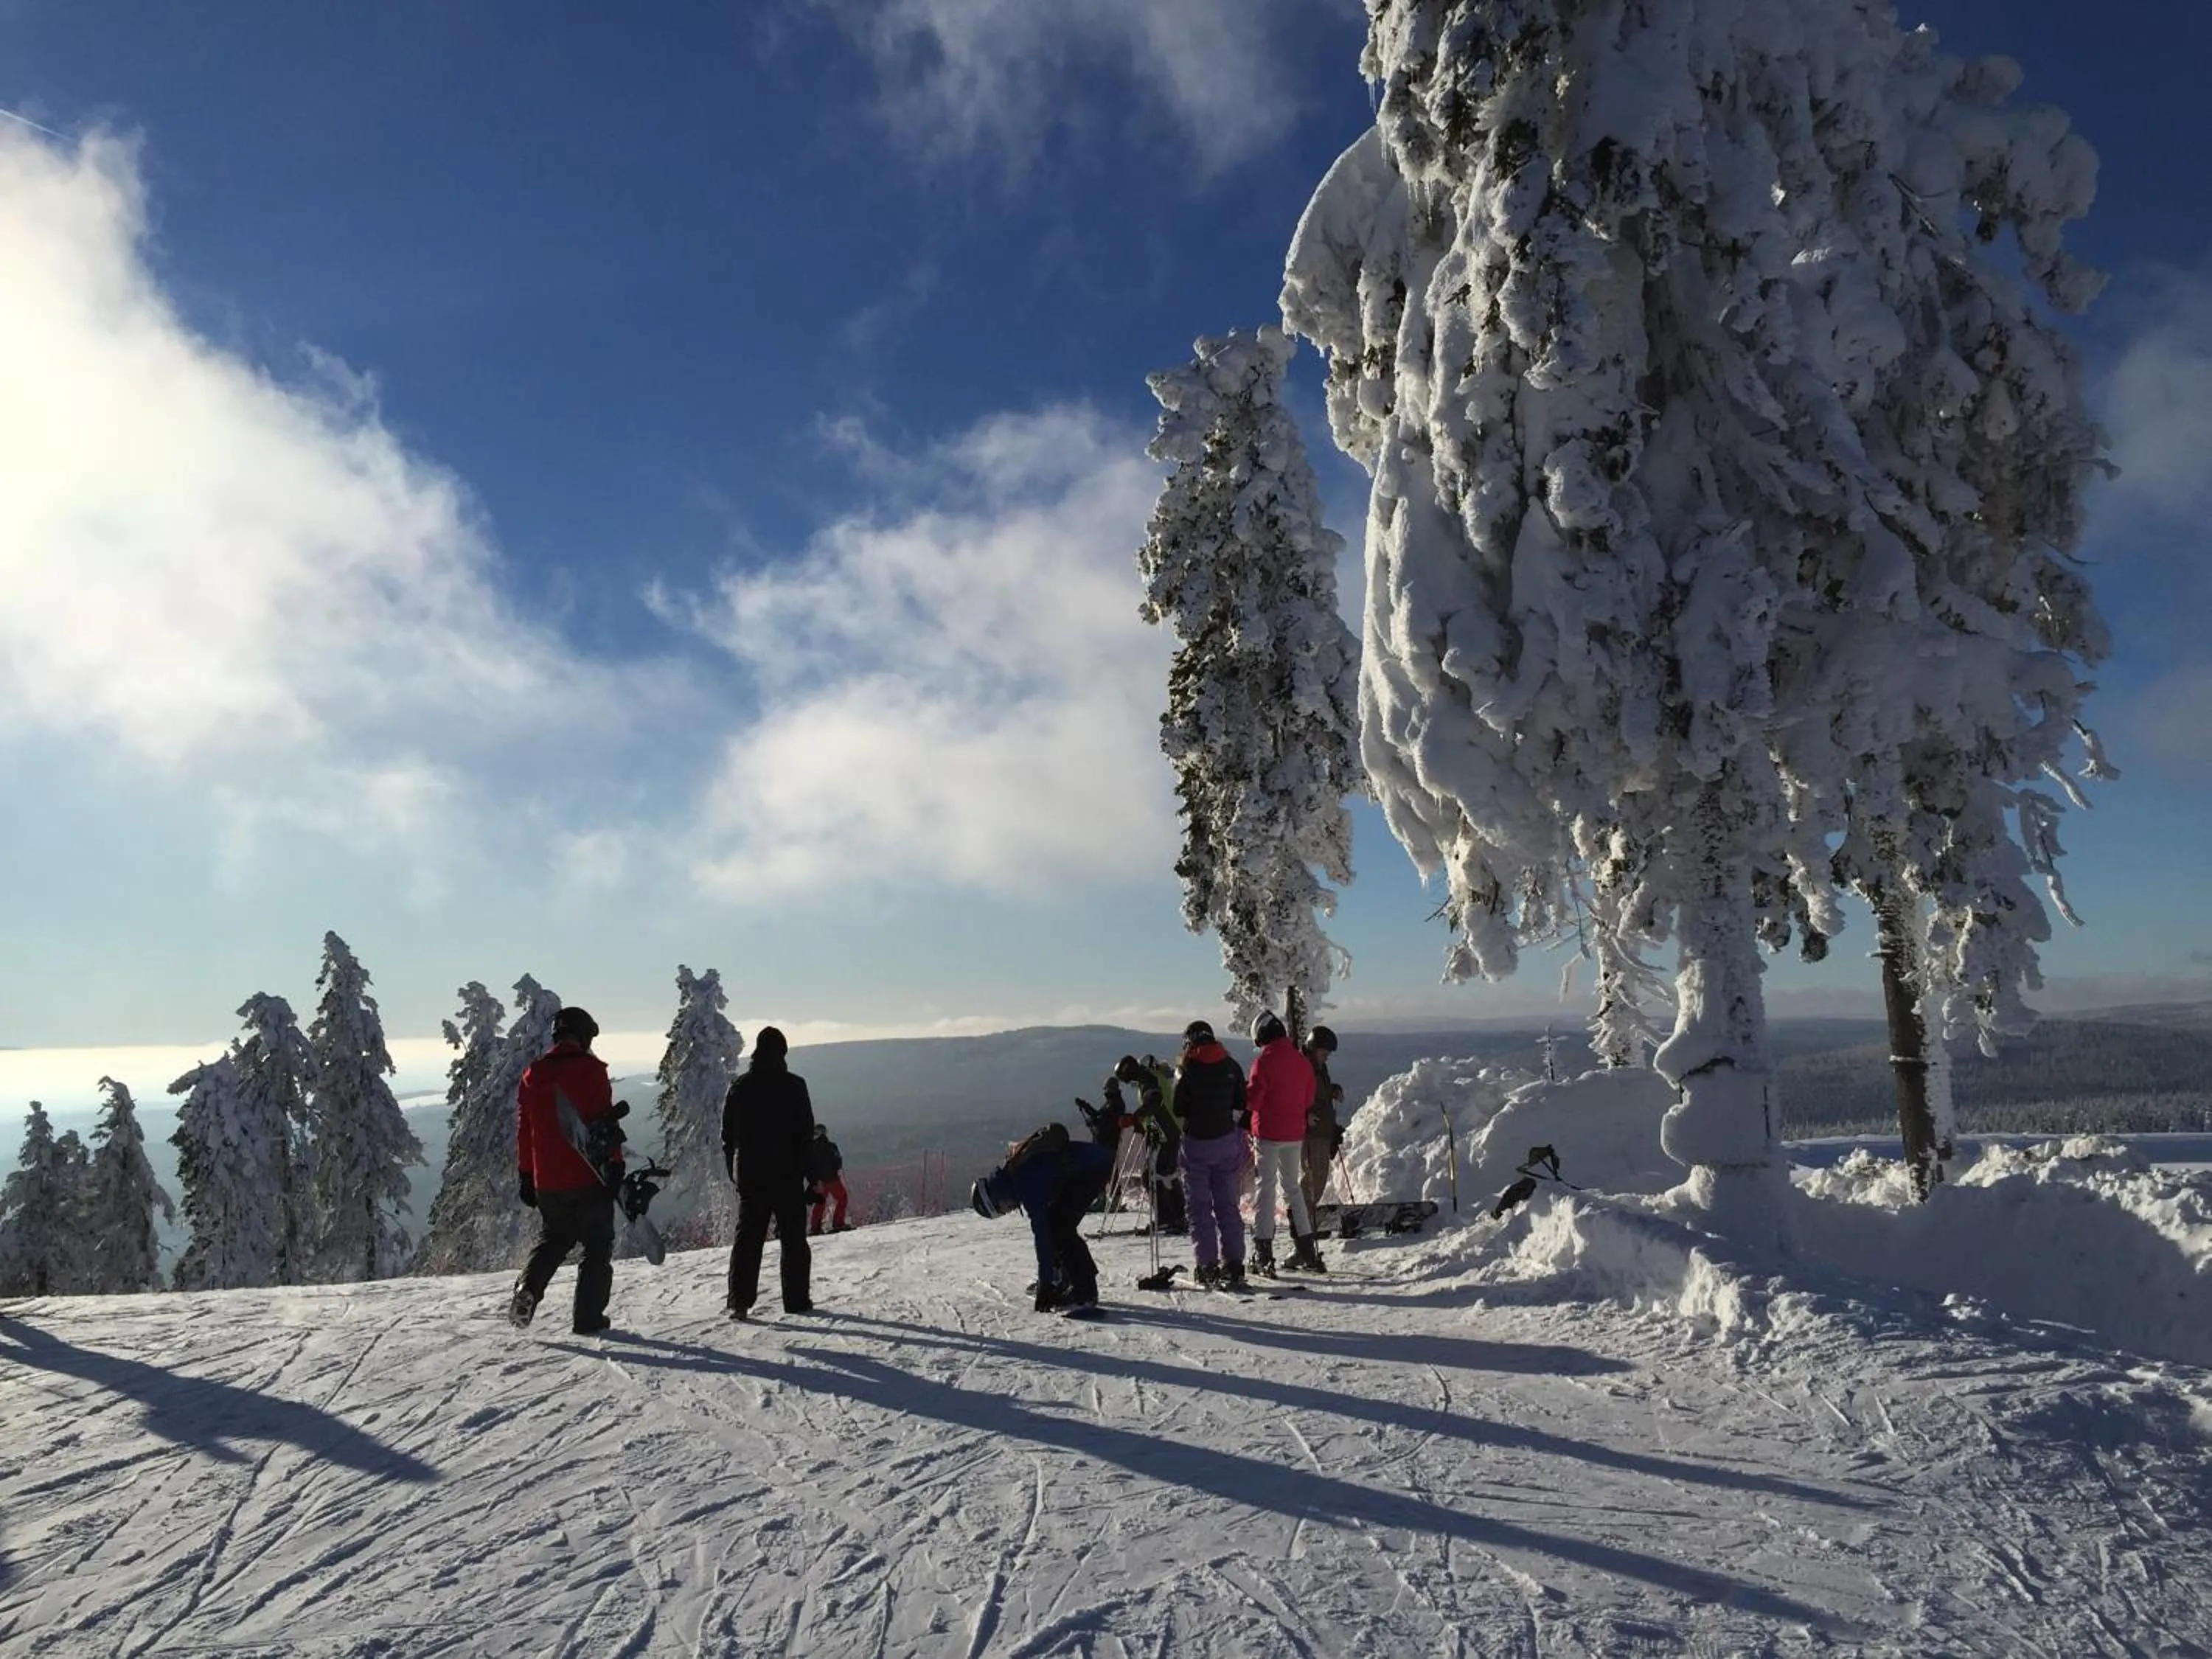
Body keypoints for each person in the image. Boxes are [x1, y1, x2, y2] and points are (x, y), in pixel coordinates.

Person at [510, 1006, 624, 1334]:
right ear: (583, 1035)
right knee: (597, 1244)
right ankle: (587, 1318)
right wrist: (615, 1165)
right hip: (588, 1173)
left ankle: (527, 1289)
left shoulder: (533, 1074)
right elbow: (606, 1124)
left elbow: (525, 1130)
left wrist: (526, 1175)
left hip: (548, 1178)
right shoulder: (592, 1070)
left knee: (554, 1238)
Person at [721, 1026, 816, 1319]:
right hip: (788, 1176)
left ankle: (739, 1301)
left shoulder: (740, 1087)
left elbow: (728, 1137)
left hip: (752, 1176)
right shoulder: (795, 1086)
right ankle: (797, 1301)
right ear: (782, 1053)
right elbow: (806, 1136)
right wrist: (811, 1178)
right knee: (794, 1241)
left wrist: (734, 1174)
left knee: (748, 1240)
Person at [970, 1122, 1116, 1313]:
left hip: (1092, 1169)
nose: (1009, 1210)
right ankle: (1072, 1280)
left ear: (997, 1197)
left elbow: (1043, 1236)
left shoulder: (1025, 1182)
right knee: (1059, 1224)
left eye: (1003, 1208)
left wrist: (1045, 1285)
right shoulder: (1015, 1172)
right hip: (1092, 1163)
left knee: (1060, 1229)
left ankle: (1084, 1293)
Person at [1174, 1019, 1249, 1290]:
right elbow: (1242, 1102)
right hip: (1227, 1141)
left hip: (1196, 1143)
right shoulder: (1231, 1066)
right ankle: (1235, 1264)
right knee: (1227, 1204)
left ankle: (1207, 1264)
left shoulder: (1187, 1070)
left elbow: (1178, 1107)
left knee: (1200, 1207)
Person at [1248, 1011, 1324, 1275]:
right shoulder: (1301, 1062)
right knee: (1293, 1188)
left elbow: (1253, 1101)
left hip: (1268, 1134)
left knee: (1266, 1191)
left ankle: (1264, 1252)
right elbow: (1307, 1099)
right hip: (1295, 1134)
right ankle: (1307, 1249)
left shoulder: (1263, 1062)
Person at [1112, 1054, 1186, 1234]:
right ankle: (1179, 1215)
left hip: (1163, 1130)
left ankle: (1166, 1219)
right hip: (1171, 1128)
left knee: (1152, 1174)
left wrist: (1136, 1117)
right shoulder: (1153, 1076)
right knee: (1168, 1173)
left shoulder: (1147, 1079)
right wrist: (1141, 1122)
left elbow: (1154, 1100)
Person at [1299, 1025, 1346, 1220]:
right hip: (1311, 1135)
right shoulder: (1302, 1069)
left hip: (1322, 1132)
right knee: (1311, 1180)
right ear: (1312, 1049)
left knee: (1318, 1179)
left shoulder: (1319, 1069)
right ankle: (1303, 1224)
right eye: (1324, 1053)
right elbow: (1291, 1098)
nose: (1326, 1057)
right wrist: (1303, 1117)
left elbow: (1320, 1096)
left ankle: (1306, 1222)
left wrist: (1334, 1090)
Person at [807, 1124, 849, 1235]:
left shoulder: (811, 1148)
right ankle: (838, 1223)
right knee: (842, 1198)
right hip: (832, 1179)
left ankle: (815, 1228)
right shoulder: (831, 1146)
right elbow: (838, 1162)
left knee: (820, 1202)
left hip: (819, 1181)